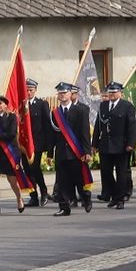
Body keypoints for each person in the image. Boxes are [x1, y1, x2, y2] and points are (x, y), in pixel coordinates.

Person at [92, 81, 136, 209]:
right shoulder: (103, 106)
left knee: (121, 173)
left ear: (120, 93)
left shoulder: (127, 106)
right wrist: (94, 144)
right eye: (109, 92)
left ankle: (120, 199)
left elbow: (132, 127)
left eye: (114, 92)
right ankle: (113, 195)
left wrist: (131, 143)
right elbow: (98, 126)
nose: (111, 94)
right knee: (106, 172)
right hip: (105, 145)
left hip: (121, 145)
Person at [51, 82, 92, 217]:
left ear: (70, 94)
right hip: (62, 153)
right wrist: (50, 153)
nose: (62, 95)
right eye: (60, 93)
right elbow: (51, 135)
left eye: (65, 92)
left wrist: (87, 152)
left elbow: (85, 132)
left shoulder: (80, 110)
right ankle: (64, 207)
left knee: (79, 179)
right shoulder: (55, 113)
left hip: (76, 152)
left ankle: (85, 197)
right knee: (62, 182)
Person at [22, 79, 53, 207]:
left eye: (31, 90)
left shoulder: (41, 104)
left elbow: (47, 126)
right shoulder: (21, 105)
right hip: (24, 144)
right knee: (27, 170)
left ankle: (43, 191)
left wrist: (50, 149)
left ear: (35, 90)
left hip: (37, 144)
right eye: (27, 90)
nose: (28, 92)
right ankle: (33, 196)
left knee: (35, 168)